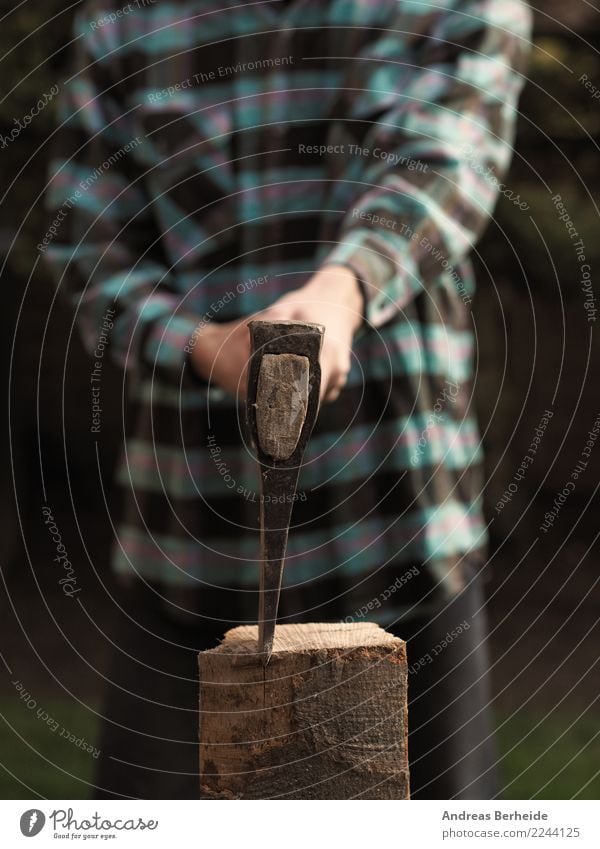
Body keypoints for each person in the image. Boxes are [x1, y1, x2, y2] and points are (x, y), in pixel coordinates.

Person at [45, 0, 531, 799]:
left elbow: (445, 165)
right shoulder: (126, 19)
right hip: (186, 537)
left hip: (400, 520)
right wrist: (202, 345)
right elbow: (84, 240)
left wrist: (342, 295)